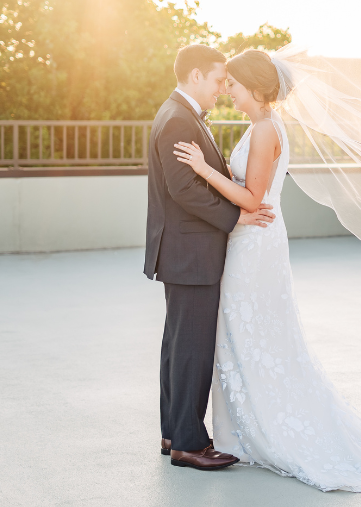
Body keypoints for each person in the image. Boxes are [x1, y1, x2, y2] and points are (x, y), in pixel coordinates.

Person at [174, 49, 361, 492]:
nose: (228, 91)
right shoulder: (267, 126)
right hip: (255, 240)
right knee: (252, 335)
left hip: (253, 244)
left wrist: (201, 169)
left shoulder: (263, 130)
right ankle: (253, 428)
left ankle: (266, 429)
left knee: (251, 335)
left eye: (233, 84)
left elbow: (253, 199)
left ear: (254, 87)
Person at [144, 44, 275, 470]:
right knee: (191, 349)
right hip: (191, 252)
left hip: (185, 250)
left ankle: (173, 433)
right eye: (219, 80)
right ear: (196, 75)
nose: (222, 88)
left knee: (179, 345)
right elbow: (184, 190)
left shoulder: (178, 113)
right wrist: (236, 218)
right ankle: (189, 443)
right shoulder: (179, 118)